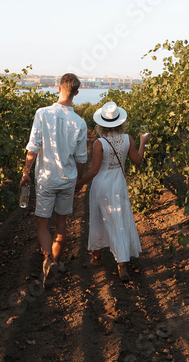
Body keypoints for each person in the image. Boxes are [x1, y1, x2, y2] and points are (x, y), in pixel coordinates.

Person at [20, 73, 87, 289]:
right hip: (67, 180)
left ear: (59, 89)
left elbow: (33, 147)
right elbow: (81, 159)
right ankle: (55, 262)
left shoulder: (42, 114)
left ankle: (47, 259)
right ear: (76, 93)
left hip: (46, 178)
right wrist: (79, 181)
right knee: (61, 225)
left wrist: (25, 172)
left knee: (42, 223)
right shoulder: (80, 123)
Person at [75, 101, 149, 283]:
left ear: (101, 123)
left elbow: (94, 170)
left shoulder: (99, 143)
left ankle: (96, 258)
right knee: (120, 221)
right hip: (119, 184)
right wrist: (143, 142)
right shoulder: (128, 139)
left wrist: (79, 183)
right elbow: (138, 160)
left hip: (102, 185)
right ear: (120, 122)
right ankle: (122, 265)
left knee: (99, 219)